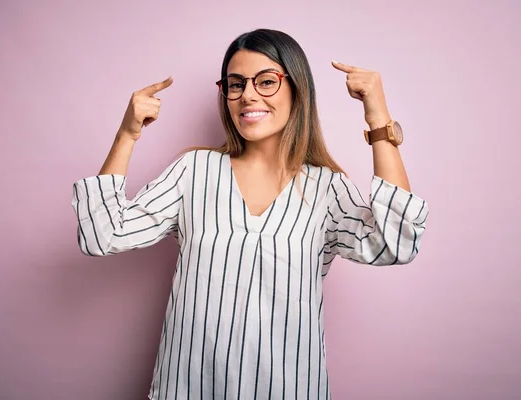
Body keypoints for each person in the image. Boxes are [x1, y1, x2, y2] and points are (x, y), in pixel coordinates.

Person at [71, 29, 428, 400]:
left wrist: (379, 118)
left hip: (289, 389)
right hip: (188, 388)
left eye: (267, 81)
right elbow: (103, 234)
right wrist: (127, 135)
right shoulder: (193, 171)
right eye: (235, 84)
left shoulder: (327, 188)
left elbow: (396, 243)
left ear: (297, 88)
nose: (248, 95)